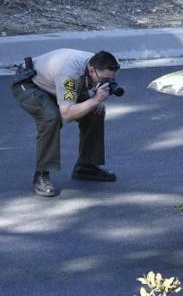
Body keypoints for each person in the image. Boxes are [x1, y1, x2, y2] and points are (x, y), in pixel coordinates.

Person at [11, 49, 121, 197]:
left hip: (56, 83)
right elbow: (67, 114)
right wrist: (95, 100)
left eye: (110, 80)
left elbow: (85, 86)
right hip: (30, 83)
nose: (105, 83)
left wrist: (94, 100)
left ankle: (86, 165)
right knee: (50, 118)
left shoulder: (96, 63)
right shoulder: (69, 76)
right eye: (103, 80)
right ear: (92, 70)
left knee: (95, 112)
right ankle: (41, 175)